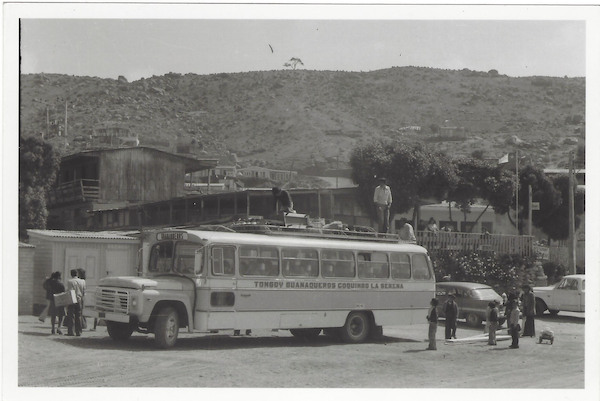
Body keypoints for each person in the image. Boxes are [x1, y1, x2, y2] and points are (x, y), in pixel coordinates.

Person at [65, 269, 86, 336]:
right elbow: (83, 291)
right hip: (79, 298)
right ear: (77, 274)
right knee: (79, 315)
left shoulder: (70, 281)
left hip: (72, 298)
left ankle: (71, 331)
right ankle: (78, 331)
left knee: (71, 315)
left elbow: (70, 291)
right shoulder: (82, 281)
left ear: (71, 274)